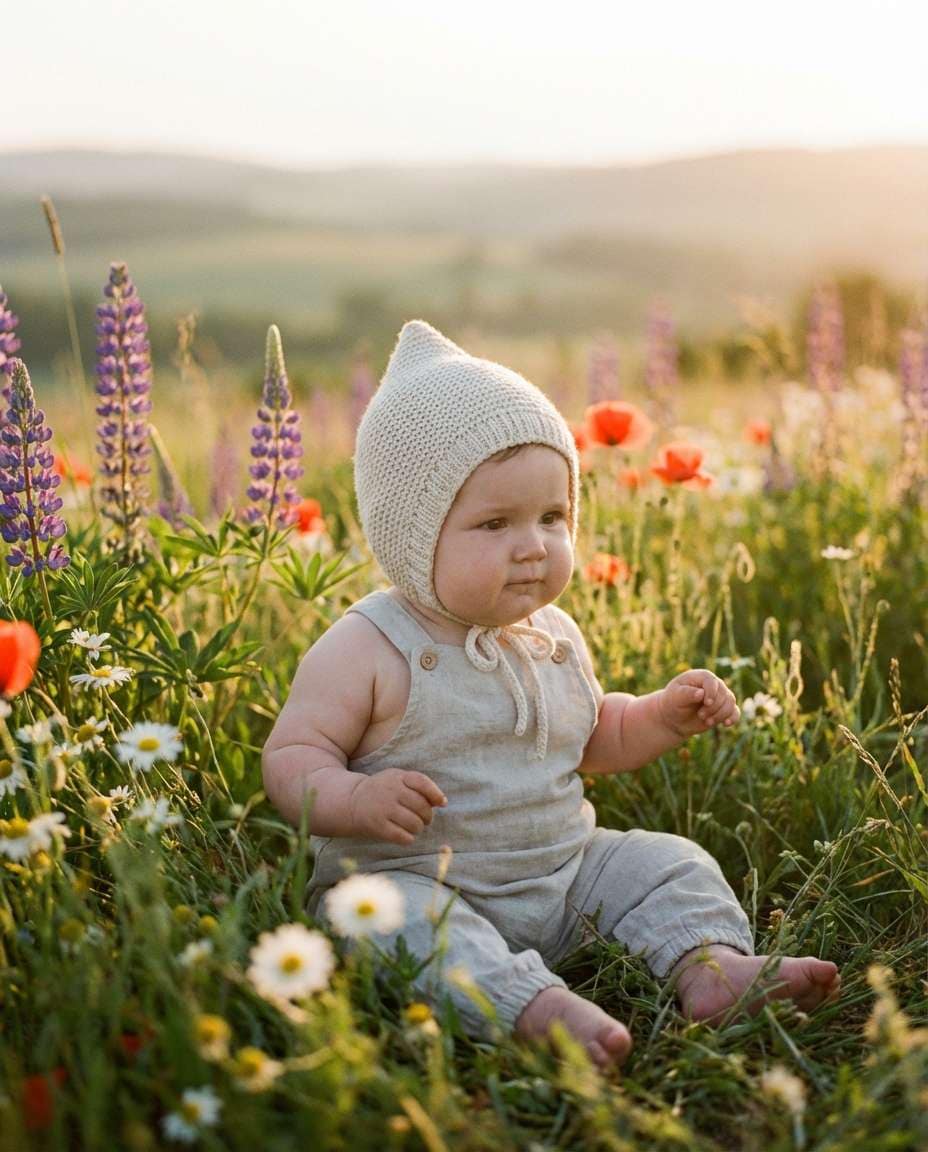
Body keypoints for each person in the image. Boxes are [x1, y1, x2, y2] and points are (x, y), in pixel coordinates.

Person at [262, 320, 840, 1068]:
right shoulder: (369, 646)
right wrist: (350, 799)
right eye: (495, 523)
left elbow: (593, 735)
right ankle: (529, 1008)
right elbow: (291, 755)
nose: (533, 545)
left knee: (669, 862)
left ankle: (710, 969)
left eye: (552, 517)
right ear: (413, 535)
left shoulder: (552, 631)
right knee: (403, 929)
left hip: (565, 872)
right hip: (415, 881)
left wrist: (660, 714)